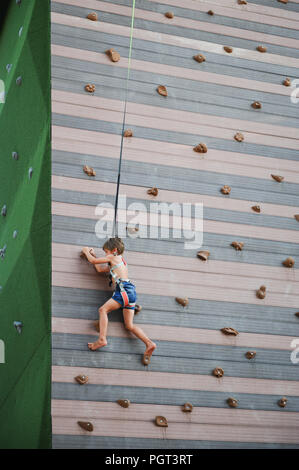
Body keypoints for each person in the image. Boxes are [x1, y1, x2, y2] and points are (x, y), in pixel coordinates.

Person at [81, 237, 156, 365]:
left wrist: (86, 251)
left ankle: (102, 339)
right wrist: (93, 255)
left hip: (123, 291)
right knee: (129, 326)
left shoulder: (113, 258)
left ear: (114, 250)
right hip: (130, 293)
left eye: (106, 252)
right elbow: (99, 269)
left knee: (103, 310)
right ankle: (149, 343)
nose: (105, 255)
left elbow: (93, 261)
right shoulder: (120, 261)